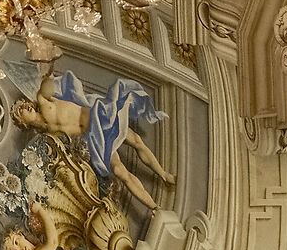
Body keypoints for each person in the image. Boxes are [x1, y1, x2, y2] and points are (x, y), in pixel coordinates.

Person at [12, 66, 174, 215]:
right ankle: (154, 207)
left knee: (136, 141)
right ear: (24, 124)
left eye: (24, 103)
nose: (25, 105)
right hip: (94, 139)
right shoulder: (49, 138)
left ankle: (164, 175)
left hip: (99, 116)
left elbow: (46, 87)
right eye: (20, 110)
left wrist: (47, 72)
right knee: (120, 172)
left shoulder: (43, 102)